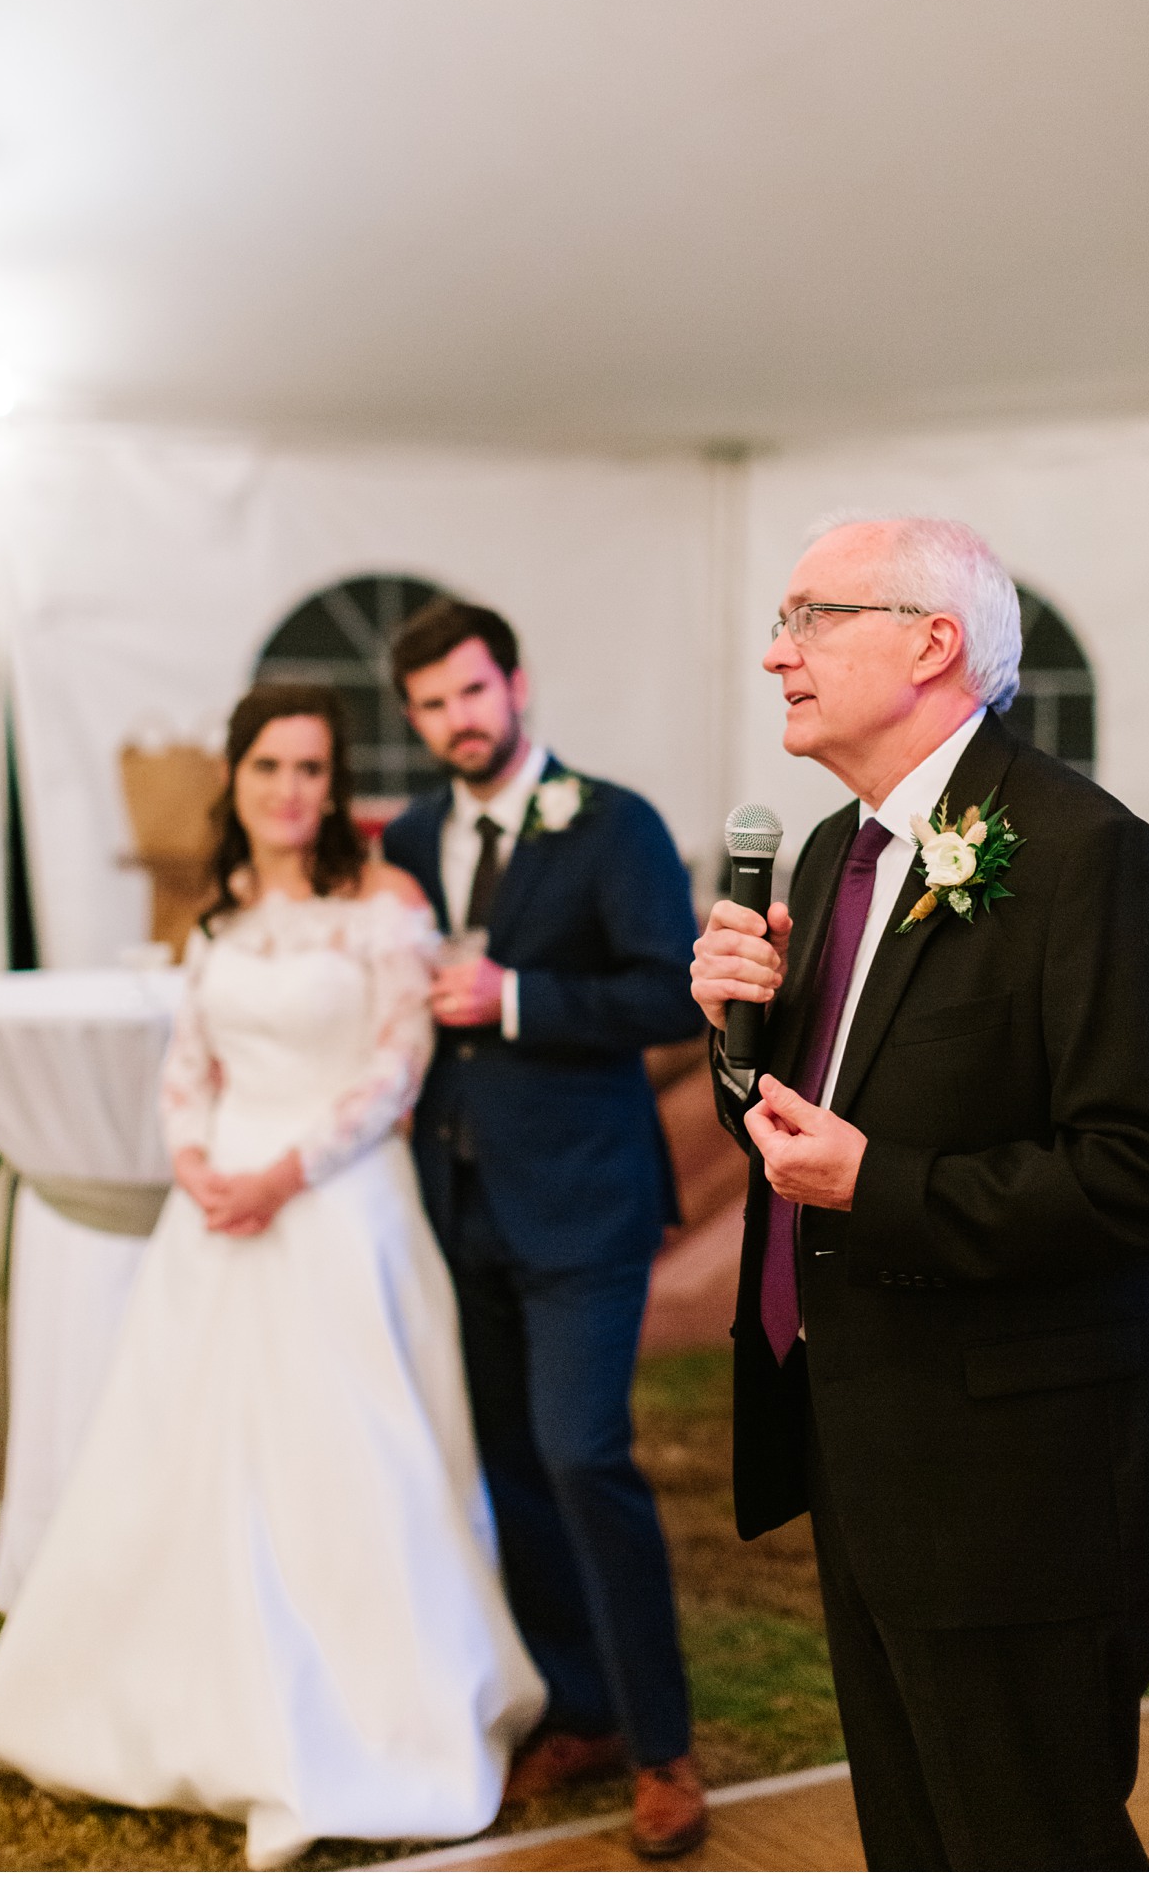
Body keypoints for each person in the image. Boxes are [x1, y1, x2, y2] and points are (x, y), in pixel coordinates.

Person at [690, 515, 1149, 1874]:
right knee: (919, 1842)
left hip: (1022, 1476)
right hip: (865, 1437)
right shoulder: (829, 855)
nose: (776, 654)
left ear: (932, 644)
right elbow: (789, 1133)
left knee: (1028, 1841)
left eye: (813, 617)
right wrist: (730, 1034)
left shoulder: (1083, 855)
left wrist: (885, 1185)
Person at [0, 682, 545, 1871]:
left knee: (349, 1457)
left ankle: (372, 1712)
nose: (289, 789)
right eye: (270, 767)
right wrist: (198, 1162)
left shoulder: (385, 905)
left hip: (341, 1207)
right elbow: (191, 1053)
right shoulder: (217, 916)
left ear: (334, 786)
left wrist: (283, 1174)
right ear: (240, 779)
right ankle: (162, 1697)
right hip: (217, 1217)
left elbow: (396, 1067)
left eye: (311, 769)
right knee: (185, 1456)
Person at [381, 597, 709, 1860]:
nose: (455, 722)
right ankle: (581, 1710)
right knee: (508, 1465)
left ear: (515, 686)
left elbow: (665, 989)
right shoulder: (409, 833)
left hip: (585, 1203)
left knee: (583, 1455)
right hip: (455, 1204)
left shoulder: (611, 822)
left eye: (471, 693)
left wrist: (515, 997)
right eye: (429, 707)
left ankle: (667, 1747)